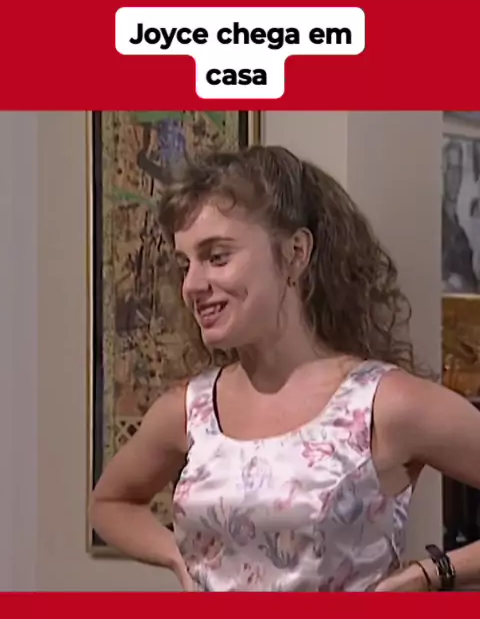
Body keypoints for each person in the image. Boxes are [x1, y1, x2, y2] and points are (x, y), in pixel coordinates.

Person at [89, 145, 480, 591]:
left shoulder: (383, 405)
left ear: (295, 252)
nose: (192, 285)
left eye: (217, 257)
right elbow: (110, 503)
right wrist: (180, 559)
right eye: (185, 264)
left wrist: (431, 574)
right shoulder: (190, 409)